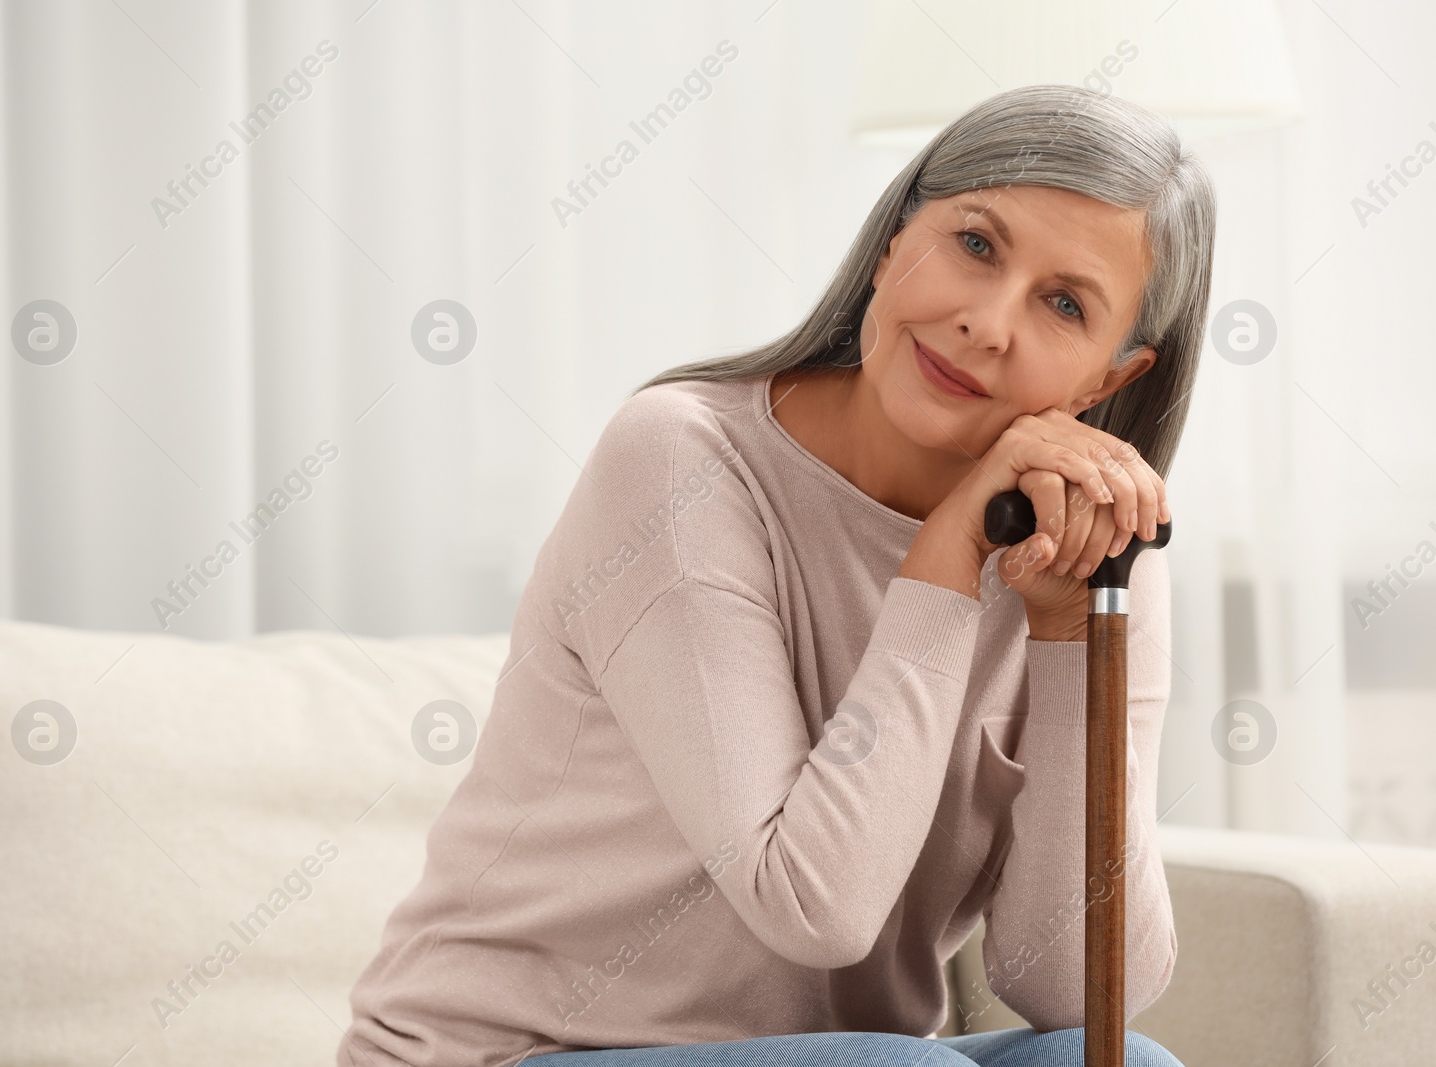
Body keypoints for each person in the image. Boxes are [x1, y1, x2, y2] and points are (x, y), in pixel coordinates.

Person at [339, 83, 1214, 1067]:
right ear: (893, 241)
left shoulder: (1091, 548)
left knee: (1118, 1062)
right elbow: (815, 908)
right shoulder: (680, 460)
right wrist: (944, 559)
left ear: (1107, 380)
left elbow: (1074, 995)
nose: (986, 320)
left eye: (1063, 304)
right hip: (507, 1051)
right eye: (974, 244)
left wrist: (1064, 637)